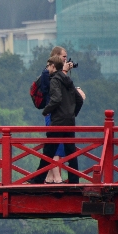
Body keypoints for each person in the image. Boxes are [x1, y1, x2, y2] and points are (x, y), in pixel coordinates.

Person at [36, 55, 84, 184]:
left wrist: (46, 111)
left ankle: (38, 179)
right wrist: (72, 113)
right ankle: (74, 180)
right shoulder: (68, 80)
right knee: (71, 151)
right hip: (69, 121)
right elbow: (79, 99)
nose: (47, 69)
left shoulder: (55, 80)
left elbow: (56, 99)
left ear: (53, 66)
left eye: (48, 66)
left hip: (58, 120)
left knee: (48, 150)